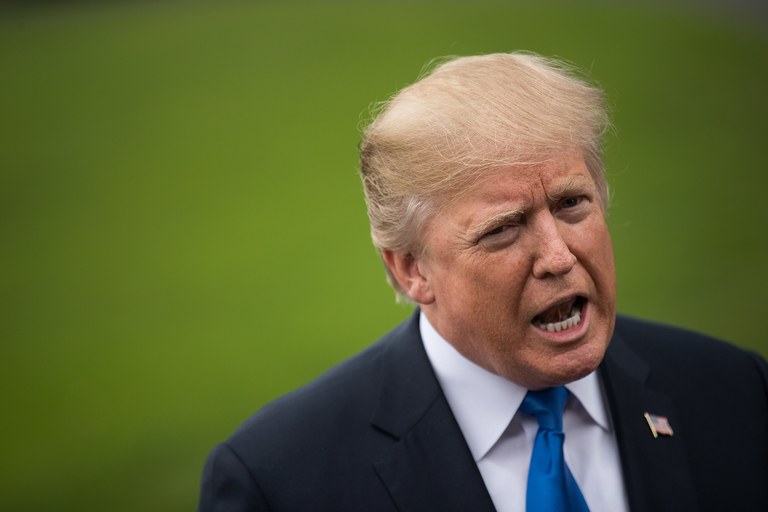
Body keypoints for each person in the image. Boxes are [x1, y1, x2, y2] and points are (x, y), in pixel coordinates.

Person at [198, 52, 768, 512]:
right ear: (411, 269)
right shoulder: (278, 481)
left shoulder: (735, 393)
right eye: (504, 229)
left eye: (572, 203)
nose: (558, 255)